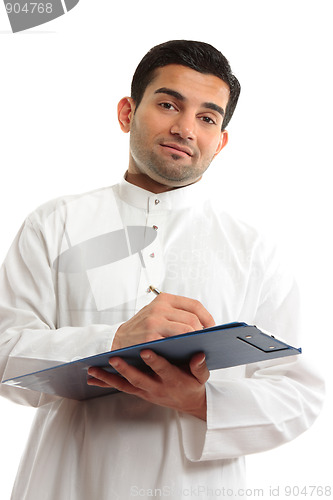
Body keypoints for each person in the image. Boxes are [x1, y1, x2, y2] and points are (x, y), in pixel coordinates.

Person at [0, 40, 324, 500]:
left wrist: (198, 401)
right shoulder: (55, 224)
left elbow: (299, 393)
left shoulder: (254, 251)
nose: (185, 128)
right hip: (66, 483)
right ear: (127, 112)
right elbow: (4, 351)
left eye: (207, 118)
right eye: (169, 104)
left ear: (221, 141)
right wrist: (112, 342)